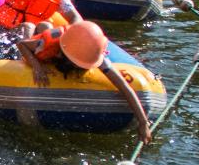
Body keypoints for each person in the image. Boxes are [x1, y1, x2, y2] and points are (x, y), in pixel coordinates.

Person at [17, 20, 153, 143]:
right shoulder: (50, 44)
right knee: (36, 37)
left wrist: (143, 122)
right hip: (46, 46)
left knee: (46, 27)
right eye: (80, 65)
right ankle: (30, 27)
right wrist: (36, 66)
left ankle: (44, 26)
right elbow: (22, 45)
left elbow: (123, 85)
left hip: (68, 41)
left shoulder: (93, 55)